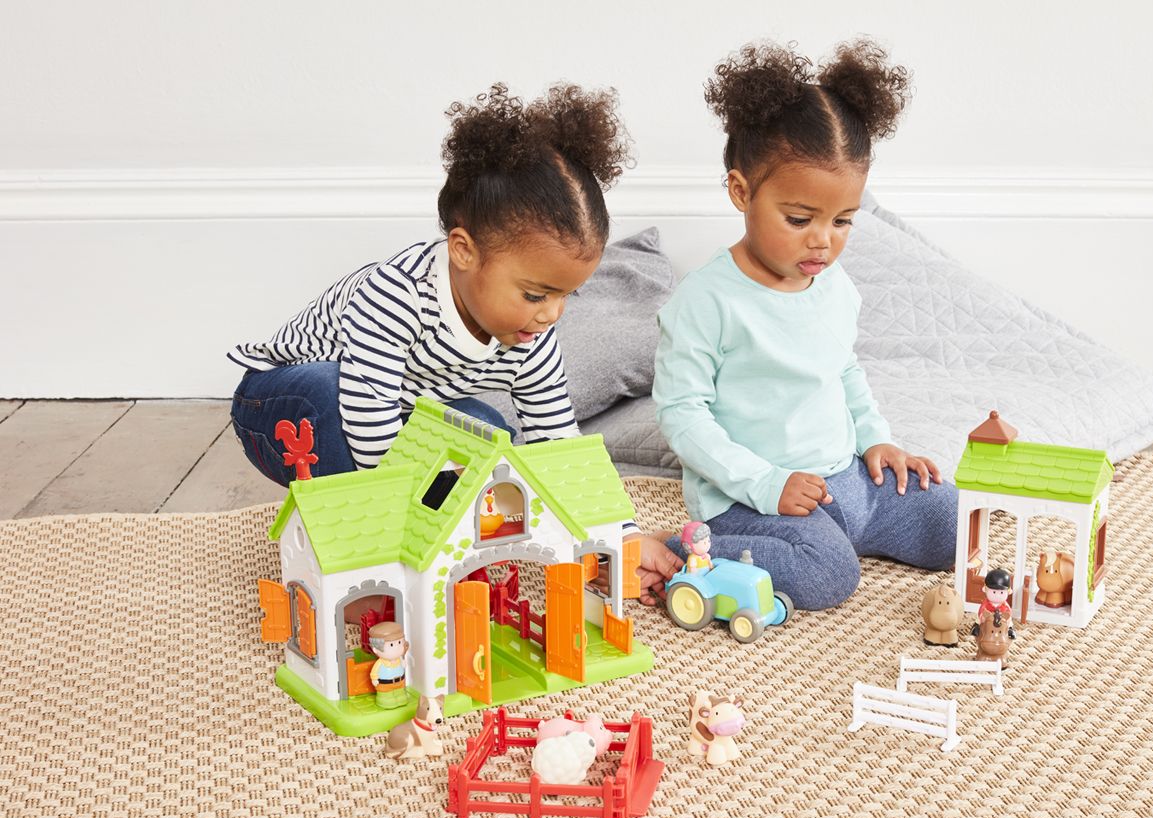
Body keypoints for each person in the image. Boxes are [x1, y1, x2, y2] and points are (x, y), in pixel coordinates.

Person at [227, 81, 682, 596]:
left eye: (566, 297)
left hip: (395, 417)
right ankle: (361, 556)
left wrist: (615, 536)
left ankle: (420, 534)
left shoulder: (531, 339)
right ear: (464, 251)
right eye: (535, 294)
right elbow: (367, 415)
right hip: (282, 404)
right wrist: (405, 539)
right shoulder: (396, 294)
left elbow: (557, 440)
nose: (551, 314)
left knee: (487, 433)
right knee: (336, 399)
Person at [651, 39, 957, 611]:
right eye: (799, 219)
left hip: (842, 481)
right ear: (742, 192)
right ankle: (681, 551)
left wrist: (878, 440)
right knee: (827, 577)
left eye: (843, 220)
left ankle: (843, 532)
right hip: (749, 498)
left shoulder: (833, 285)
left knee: (950, 519)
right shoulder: (706, 300)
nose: (823, 240)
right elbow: (681, 416)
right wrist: (768, 483)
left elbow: (843, 367)